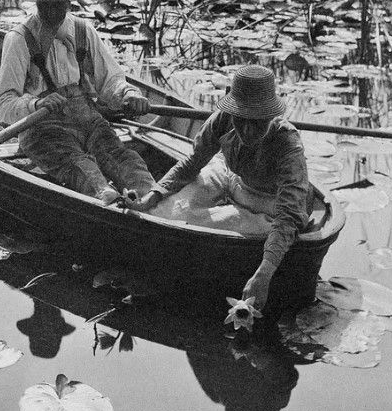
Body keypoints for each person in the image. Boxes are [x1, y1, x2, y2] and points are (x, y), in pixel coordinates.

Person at [126, 65, 315, 312]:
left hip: (268, 202)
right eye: (241, 119)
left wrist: (263, 273)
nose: (247, 131)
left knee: (206, 225)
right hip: (230, 176)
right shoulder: (224, 118)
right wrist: (153, 195)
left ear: (270, 116)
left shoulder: (287, 142)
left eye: (257, 123)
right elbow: (193, 162)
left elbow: (290, 215)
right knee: (166, 210)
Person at [0, 0, 156, 204]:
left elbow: (110, 79)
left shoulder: (83, 30)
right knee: (80, 167)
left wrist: (128, 94)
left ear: (69, 0)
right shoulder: (19, 39)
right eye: (44, 4)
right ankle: (107, 201)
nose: (52, 11)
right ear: (36, 1)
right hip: (43, 126)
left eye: (58, 3)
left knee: (123, 158)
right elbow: (3, 103)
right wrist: (36, 104)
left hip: (88, 118)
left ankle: (153, 198)